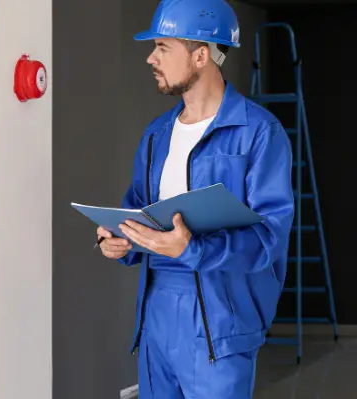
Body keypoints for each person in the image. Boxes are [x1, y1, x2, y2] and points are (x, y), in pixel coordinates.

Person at [95, 0, 295, 397]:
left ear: (200, 56)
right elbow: (138, 210)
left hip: (220, 323)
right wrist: (118, 240)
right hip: (156, 316)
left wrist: (193, 249)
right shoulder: (156, 134)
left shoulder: (259, 132)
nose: (151, 58)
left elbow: (270, 237)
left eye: (162, 47)